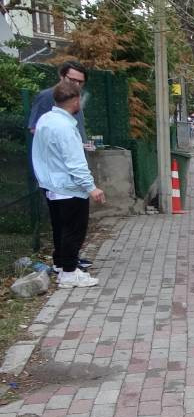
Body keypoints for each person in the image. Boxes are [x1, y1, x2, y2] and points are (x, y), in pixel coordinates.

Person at [31, 80, 105, 289]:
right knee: (74, 231)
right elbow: (75, 163)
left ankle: (63, 266)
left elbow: (48, 150)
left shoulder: (46, 120)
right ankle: (70, 275)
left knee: (60, 230)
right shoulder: (65, 127)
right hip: (69, 188)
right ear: (74, 100)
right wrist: (91, 187)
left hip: (51, 185)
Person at [28, 60, 89, 141]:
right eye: (72, 80)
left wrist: (82, 144)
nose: (77, 84)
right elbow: (35, 129)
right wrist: (67, 144)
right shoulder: (46, 96)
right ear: (61, 76)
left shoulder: (77, 97)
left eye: (80, 82)